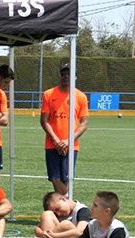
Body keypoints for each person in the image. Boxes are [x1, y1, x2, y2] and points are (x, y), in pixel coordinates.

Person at [9, 191, 91, 238]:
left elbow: (80, 232)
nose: (58, 214)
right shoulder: (59, 213)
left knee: (66, 225)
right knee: (47, 214)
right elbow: (37, 229)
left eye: (57, 208)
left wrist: (54, 236)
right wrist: (42, 233)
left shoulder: (82, 210)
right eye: (55, 213)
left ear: (63, 199)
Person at [41, 65, 88, 195]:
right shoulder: (49, 94)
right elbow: (44, 120)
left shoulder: (80, 97)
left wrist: (68, 141)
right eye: (63, 73)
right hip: (52, 144)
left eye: (69, 73)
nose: (66, 76)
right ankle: (68, 202)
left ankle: (63, 209)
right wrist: (56, 140)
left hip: (71, 146)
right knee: (54, 177)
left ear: (75, 77)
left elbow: (84, 124)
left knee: (66, 178)